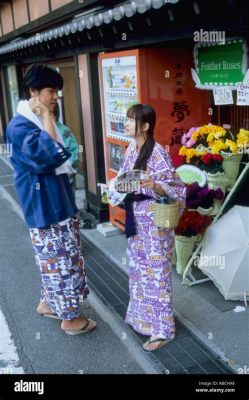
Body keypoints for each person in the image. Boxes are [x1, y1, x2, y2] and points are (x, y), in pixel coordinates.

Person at [6, 64, 96, 335]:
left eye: (56, 91)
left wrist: (46, 114)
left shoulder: (28, 121)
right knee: (62, 262)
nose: (55, 97)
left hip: (52, 202)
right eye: (50, 91)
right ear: (33, 92)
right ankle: (71, 320)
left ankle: (47, 303)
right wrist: (46, 114)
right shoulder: (21, 126)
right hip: (46, 206)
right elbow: (52, 153)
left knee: (55, 259)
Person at [109, 104, 186, 351]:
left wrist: (154, 186)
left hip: (155, 222)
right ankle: (143, 320)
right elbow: (123, 179)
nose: (127, 124)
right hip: (136, 219)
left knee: (158, 273)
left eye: (132, 120)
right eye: (127, 119)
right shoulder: (132, 148)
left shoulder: (158, 153)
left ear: (145, 126)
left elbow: (178, 188)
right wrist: (115, 189)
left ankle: (163, 329)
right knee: (139, 270)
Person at [53, 103, 79, 194]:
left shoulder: (64, 131)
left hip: (65, 175)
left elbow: (74, 152)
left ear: (54, 115)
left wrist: (69, 168)